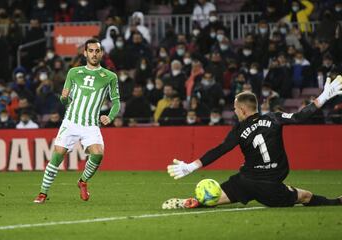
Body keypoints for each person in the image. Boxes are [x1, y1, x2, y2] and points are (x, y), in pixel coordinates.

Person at [164, 75, 342, 209]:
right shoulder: (275, 118)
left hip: (245, 181)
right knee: (305, 196)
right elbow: (300, 116)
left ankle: (194, 201)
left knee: (214, 197)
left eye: (235, 108)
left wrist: (192, 166)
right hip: (270, 186)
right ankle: (336, 202)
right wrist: (324, 97)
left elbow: (220, 149)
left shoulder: (239, 129)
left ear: (242, 109)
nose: (234, 112)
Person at [33, 38, 120, 203]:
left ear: (101, 53)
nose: (94, 54)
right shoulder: (73, 72)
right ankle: (43, 193)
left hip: (91, 124)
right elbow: (65, 101)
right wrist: (63, 98)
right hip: (71, 122)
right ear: (85, 53)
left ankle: (82, 181)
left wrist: (110, 116)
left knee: (98, 154)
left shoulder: (110, 76)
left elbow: (116, 102)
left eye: (97, 51)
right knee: (57, 157)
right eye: (91, 51)